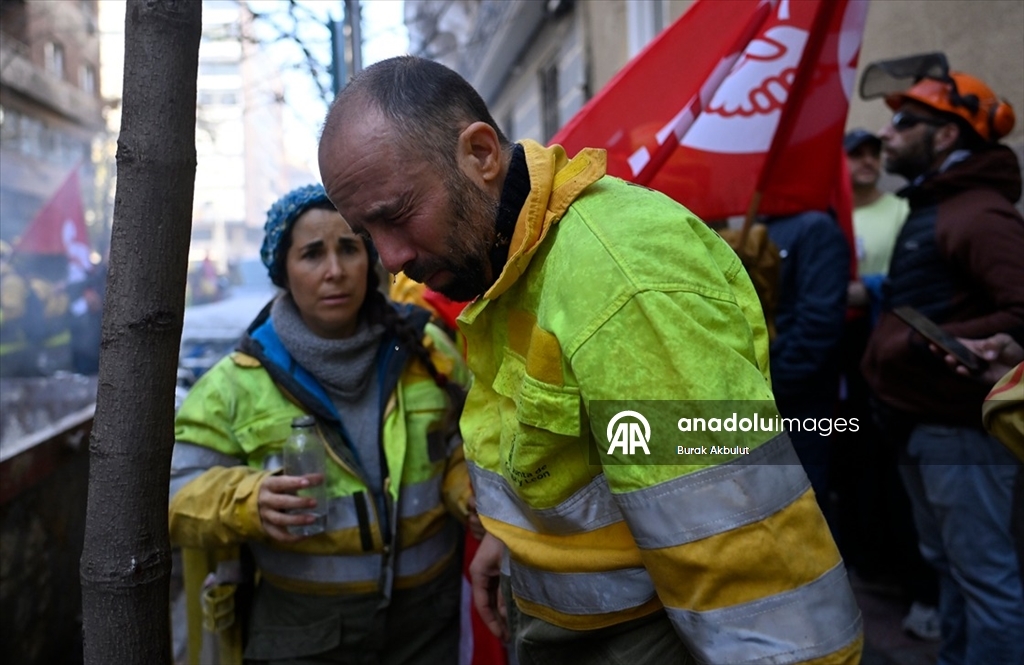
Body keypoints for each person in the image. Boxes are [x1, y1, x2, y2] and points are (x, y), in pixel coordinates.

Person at [318, 55, 862, 665]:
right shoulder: (509, 259)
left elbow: (737, 549)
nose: (389, 258)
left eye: (396, 215)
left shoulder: (622, 278)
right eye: (367, 233)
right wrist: (516, 539)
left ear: (481, 154)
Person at [168, 184, 474, 665]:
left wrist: (465, 489)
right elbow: (173, 492)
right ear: (282, 272)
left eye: (349, 248)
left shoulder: (424, 350)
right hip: (301, 635)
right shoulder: (237, 383)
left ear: (370, 260)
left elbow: (466, 441)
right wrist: (248, 500)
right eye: (312, 254)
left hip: (430, 626)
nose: (335, 271)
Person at [861, 64, 1024, 664]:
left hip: (962, 431)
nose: (887, 133)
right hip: (926, 422)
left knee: (984, 577)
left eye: (905, 122)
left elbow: (1021, 310)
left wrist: (936, 342)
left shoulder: (978, 213)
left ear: (948, 135)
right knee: (951, 567)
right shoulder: (941, 203)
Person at [763, 210, 850, 507]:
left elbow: (819, 320)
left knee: (803, 499)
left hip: (796, 396)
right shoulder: (760, 227)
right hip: (763, 393)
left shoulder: (814, 228)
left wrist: (781, 380)